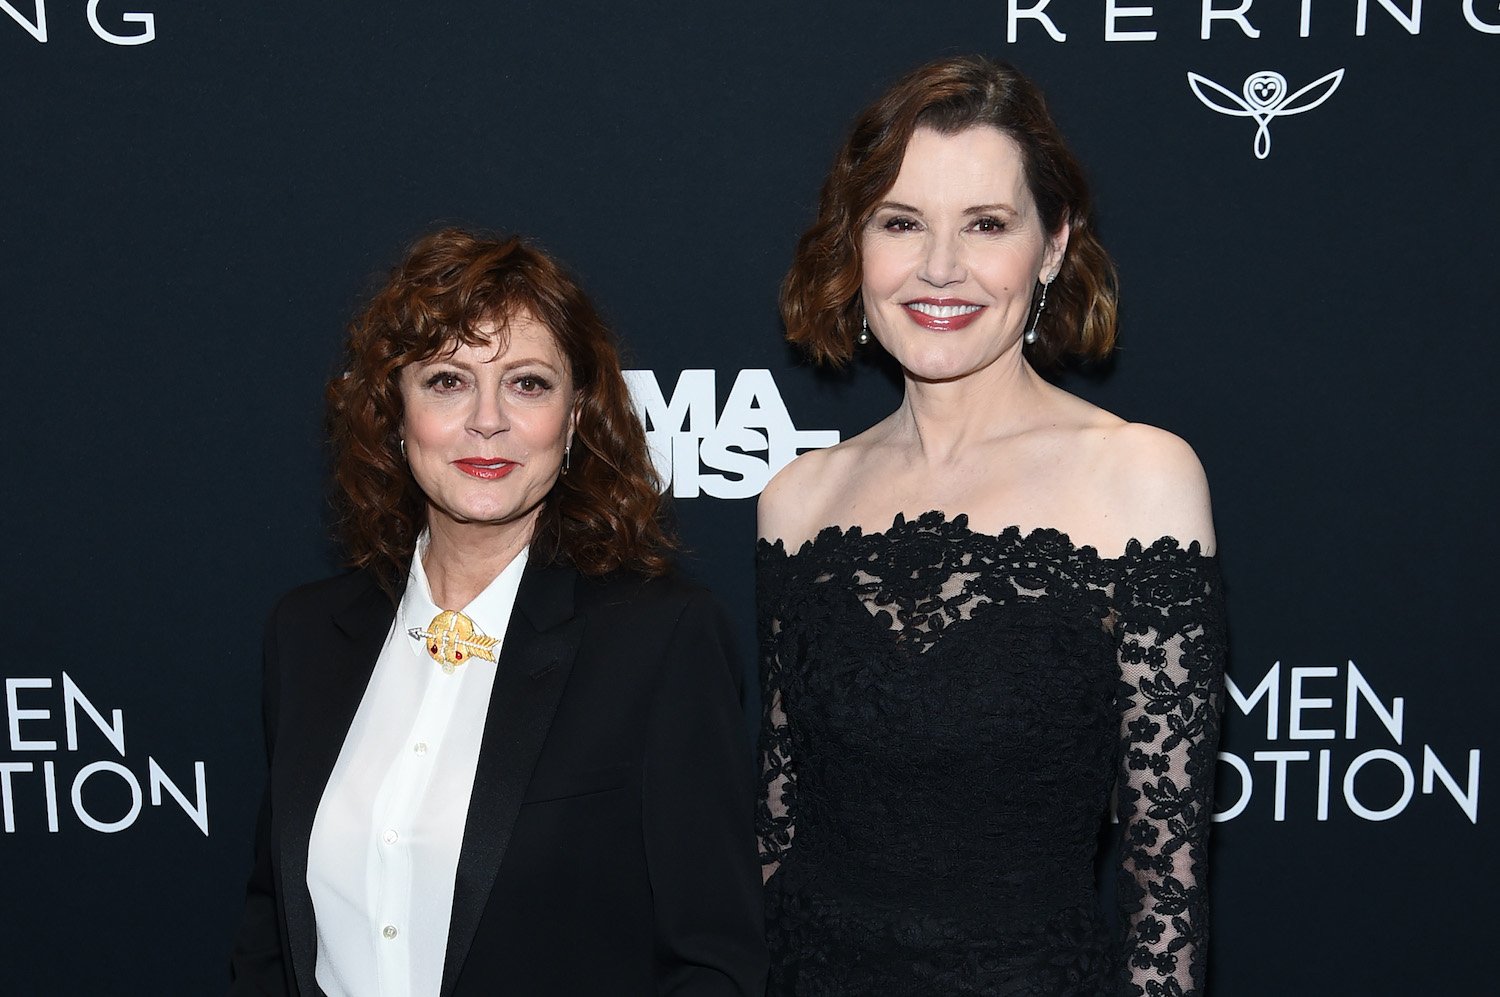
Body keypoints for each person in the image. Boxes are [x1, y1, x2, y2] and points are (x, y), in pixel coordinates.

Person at [757, 56, 1226, 996]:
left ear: (1052, 245)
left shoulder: (1140, 477)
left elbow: (1164, 885)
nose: (940, 268)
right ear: (856, 245)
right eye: (901, 223)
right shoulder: (797, 500)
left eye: (985, 224)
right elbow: (779, 830)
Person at [229, 228, 766, 996]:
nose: (488, 419)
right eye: (448, 380)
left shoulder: (661, 639)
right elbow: (271, 934)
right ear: (393, 409)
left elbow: (715, 963)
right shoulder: (307, 634)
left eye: (527, 383)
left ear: (576, 417)